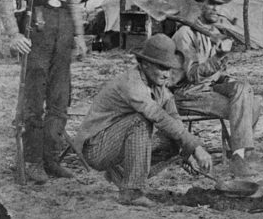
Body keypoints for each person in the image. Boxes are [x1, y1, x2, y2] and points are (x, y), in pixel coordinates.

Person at [0, 0, 87, 183]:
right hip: (36, 27)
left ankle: (51, 159)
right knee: (34, 100)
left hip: (62, 31)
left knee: (60, 99)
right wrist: (13, 34)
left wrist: (80, 38)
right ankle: (33, 161)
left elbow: (74, 2)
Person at [73, 34, 213, 207]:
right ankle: (131, 192)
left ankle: (121, 174)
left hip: (116, 144)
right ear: (145, 64)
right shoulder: (132, 82)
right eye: (162, 67)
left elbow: (174, 118)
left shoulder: (159, 85)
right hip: (95, 147)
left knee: (174, 141)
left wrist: (187, 152)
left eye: (169, 69)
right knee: (141, 121)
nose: (166, 74)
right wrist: (196, 147)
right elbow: (157, 115)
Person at [168, 0, 260, 177]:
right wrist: (217, 58)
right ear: (201, 4)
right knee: (244, 107)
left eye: (219, 4)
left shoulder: (215, 33)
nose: (216, 9)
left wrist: (227, 76)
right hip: (187, 94)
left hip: (208, 89)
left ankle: (240, 151)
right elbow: (192, 75)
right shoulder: (186, 33)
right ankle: (240, 158)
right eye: (211, 4)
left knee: (248, 93)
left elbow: (216, 74)